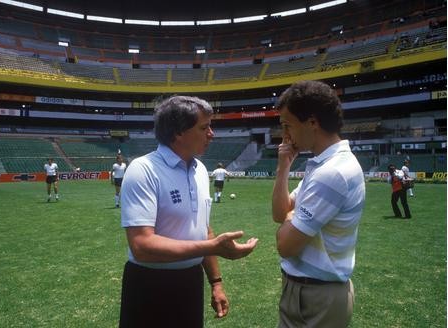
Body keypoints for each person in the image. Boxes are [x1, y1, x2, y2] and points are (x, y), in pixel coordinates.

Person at [119, 95, 258, 328]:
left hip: (191, 280)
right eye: (204, 127)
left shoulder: (200, 170)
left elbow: (204, 229)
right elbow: (142, 246)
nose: (211, 134)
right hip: (149, 284)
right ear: (178, 132)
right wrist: (213, 247)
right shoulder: (143, 170)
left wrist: (216, 283)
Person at [272, 80, 366, 328]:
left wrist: (290, 217)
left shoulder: (333, 173)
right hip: (303, 289)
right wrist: (283, 168)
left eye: (288, 125)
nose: (285, 135)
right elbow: (280, 212)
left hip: (319, 297)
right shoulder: (322, 165)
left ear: (312, 122)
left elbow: (285, 244)